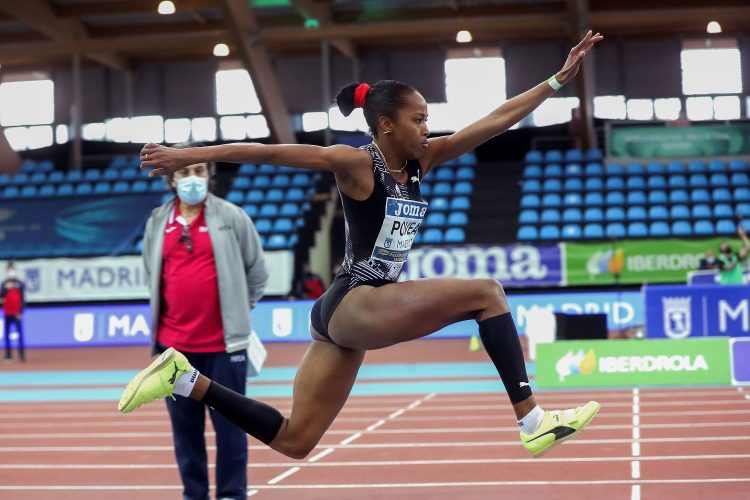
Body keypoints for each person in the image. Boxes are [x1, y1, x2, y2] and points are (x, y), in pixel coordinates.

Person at [120, 30, 604, 460]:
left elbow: (497, 118)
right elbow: (267, 153)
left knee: (295, 441)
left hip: (344, 314)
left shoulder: (422, 160)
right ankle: (532, 421)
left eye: (429, 119)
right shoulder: (354, 162)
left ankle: (184, 379)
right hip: (356, 301)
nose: (427, 128)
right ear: (387, 124)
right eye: (418, 119)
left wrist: (558, 81)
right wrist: (188, 155)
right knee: (487, 293)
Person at [140, 142, 269, 500]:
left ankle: (232, 494)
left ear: (209, 175)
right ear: (172, 181)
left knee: (231, 429)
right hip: (174, 351)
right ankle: (193, 495)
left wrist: (239, 313)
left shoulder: (232, 216)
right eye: (183, 173)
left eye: (198, 171)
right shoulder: (157, 221)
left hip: (224, 349)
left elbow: (257, 272)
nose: (192, 179)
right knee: (186, 431)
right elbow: (151, 272)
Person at [1, 261, 25, 363]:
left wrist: (21, 311)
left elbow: (22, 298)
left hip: (17, 313)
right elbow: (1, 297)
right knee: (7, 335)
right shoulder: (4, 284)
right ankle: (8, 355)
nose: (11, 272)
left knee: (20, 334)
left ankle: (21, 355)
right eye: (9, 270)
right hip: (7, 313)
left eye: (12, 270)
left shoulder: (19, 283)